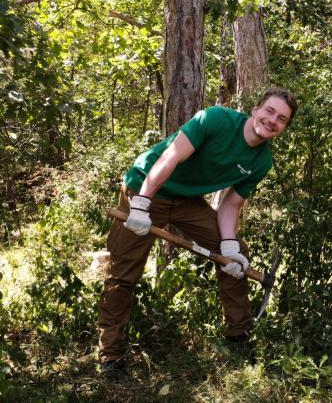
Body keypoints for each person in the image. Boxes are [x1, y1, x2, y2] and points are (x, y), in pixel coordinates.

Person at [98, 87, 298, 378]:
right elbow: (171, 157)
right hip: (146, 185)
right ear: (255, 109)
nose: (272, 120)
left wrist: (228, 246)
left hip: (186, 201)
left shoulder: (261, 161)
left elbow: (231, 203)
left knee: (236, 261)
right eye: (269, 111)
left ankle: (238, 338)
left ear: (283, 128)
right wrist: (141, 203)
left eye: (281, 119)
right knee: (123, 273)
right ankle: (111, 356)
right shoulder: (215, 119)